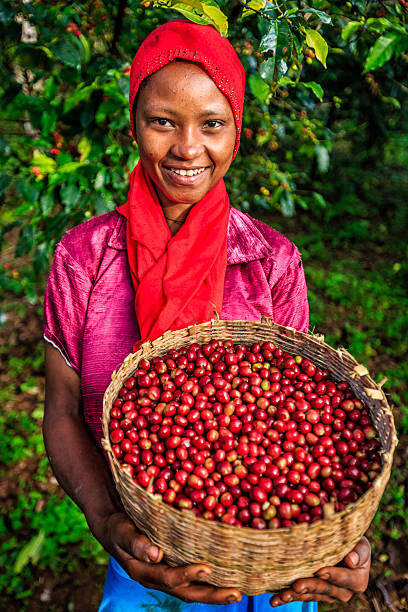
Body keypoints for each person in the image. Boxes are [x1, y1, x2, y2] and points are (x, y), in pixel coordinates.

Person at [43, 19, 371, 611]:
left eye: (212, 124)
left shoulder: (271, 261)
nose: (188, 148)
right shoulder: (83, 259)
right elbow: (63, 412)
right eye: (162, 121)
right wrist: (106, 523)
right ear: (134, 123)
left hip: (267, 555)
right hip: (144, 549)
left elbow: (296, 418)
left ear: (236, 131)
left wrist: (339, 534)